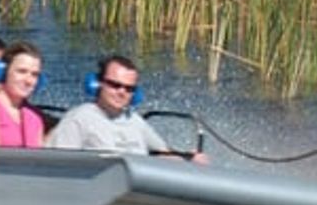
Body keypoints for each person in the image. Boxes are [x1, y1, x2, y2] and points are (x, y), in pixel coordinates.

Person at [47, 54, 209, 161]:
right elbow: (58, 165)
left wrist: (189, 158)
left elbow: (164, 153)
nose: (121, 92)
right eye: (114, 85)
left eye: (129, 88)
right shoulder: (80, 118)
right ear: (100, 83)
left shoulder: (135, 120)